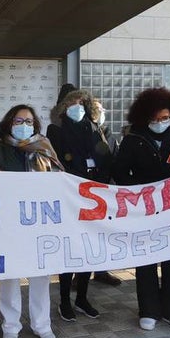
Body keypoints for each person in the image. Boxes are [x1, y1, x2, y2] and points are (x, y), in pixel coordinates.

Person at [0, 104, 63, 338]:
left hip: (39, 223)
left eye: (28, 121)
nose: (24, 126)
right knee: (10, 276)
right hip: (9, 225)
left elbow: (59, 179)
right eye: (18, 121)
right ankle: (10, 326)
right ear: (8, 123)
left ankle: (42, 325)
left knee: (40, 276)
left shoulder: (44, 149)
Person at [112, 87, 170, 331]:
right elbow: (119, 172)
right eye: (154, 119)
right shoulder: (133, 139)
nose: (160, 123)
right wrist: (136, 192)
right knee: (145, 260)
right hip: (143, 209)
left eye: (164, 118)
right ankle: (148, 310)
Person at [45, 88, 112, 320]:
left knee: (89, 249)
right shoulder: (56, 129)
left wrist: (101, 180)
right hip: (70, 196)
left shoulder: (94, 128)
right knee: (70, 250)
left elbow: (105, 158)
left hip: (94, 195)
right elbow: (59, 160)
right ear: (63, 106)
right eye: (73, 102)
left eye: (82, 102)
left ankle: (82, 298)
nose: (78, 107)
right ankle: (64, 301)